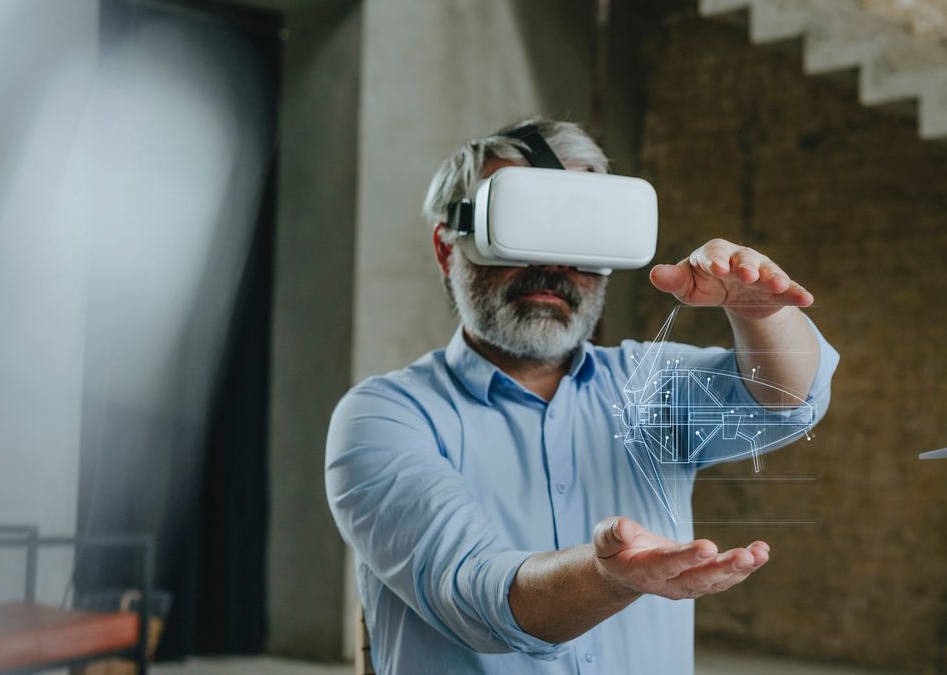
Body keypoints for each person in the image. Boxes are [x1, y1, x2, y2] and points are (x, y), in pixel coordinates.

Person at [325, 118, 840, 674]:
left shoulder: (646, 387)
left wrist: (757, 311)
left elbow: (784, 396)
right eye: (524, 227)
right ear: (449, 248)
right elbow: (472, 592)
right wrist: (607, 579)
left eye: (580, 232)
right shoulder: (385, 417)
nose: (554, 264)